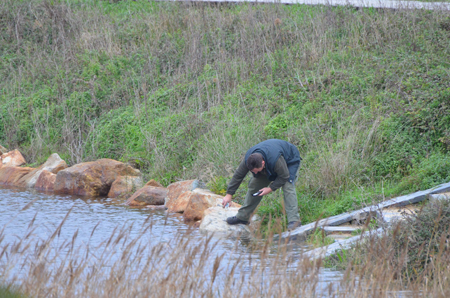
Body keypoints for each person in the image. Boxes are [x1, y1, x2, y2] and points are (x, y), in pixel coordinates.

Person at [222, 139, 302, 231]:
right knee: (254, 185)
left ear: (263, 163)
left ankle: (294, 221)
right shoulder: (249, 159)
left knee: (288, 186)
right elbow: (238, 176)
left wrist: (270, 188)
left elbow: (284, 176)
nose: (254, 172)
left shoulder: (275, 160)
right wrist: (229, 194)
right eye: (252, 171)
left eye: (256, 170)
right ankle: (243, 217)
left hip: (289, 160)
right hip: (270, 163)